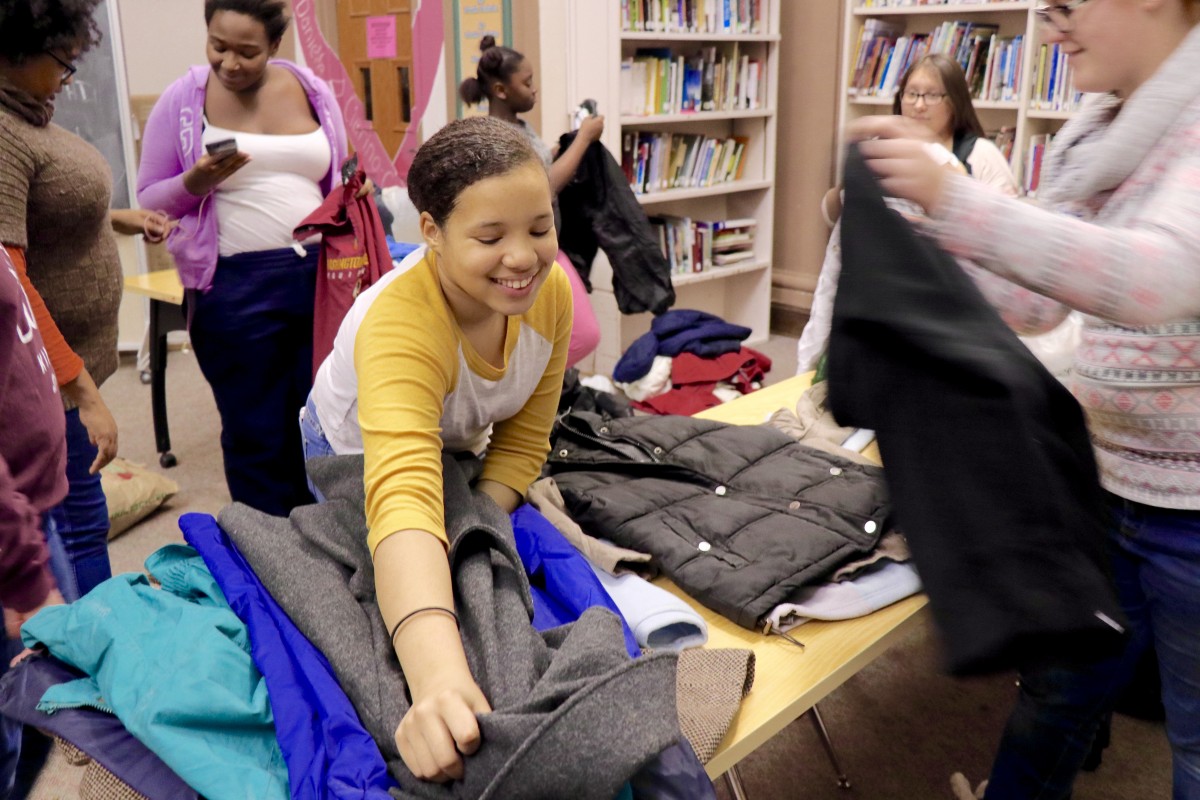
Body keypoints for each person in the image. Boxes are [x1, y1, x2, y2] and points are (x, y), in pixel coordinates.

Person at [850, 0, 1200, 797]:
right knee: (1056, 696)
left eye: (1069, 5)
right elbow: (1038, 302)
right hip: (1106, 485)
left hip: (1193, 518)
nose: (1051, 26)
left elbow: (1159, 278)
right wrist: (915, 237)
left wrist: (954, 199)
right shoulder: (1098, 129)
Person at [302, 116, 572, 782]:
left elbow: (524, 437)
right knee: (359, 577)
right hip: (356, 450)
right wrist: (439, 679)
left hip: (456, 439)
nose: (524, 258)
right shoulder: (398, 322)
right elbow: (401, 501)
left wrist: (477, 519)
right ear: (430, 232)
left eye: (540, 228)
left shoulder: (550, 292)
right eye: (490, 236)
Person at [137, 0, 350, 516]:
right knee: (257, 431)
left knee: (327, 420)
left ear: (275, 46)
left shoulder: (312, 91)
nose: (230, 63)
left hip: (319, 278)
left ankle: (330, 546)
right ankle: (267, 555)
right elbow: (150, 196)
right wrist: (197, 181)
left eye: (247, 52)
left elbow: (338, 179)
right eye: (218, 46)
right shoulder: (183, 99)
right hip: (233, 287)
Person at [0, 0, 166, 599]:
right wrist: (81, 391)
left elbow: (49, 209)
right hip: (46, 381)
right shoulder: (3, 134)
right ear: (14, 50)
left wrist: (118, 218)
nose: (69, 79)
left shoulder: (30, 113)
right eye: (62, 63)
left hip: (67, 370)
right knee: (77, 526)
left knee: (80, 516)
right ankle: (93, 661)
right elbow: (9, 279)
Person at [798, 54, 1018, 373]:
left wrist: (949, 182)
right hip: (884, 295)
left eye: (931, 95)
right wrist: (851, 185)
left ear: (954, 100)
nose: (918, 105)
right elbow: (834, 217)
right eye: (911, 94)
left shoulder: (981, 154)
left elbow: (1002, 231)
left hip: (950, 302)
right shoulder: (884, 148)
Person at [459, 35, 601, 368]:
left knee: (559, 333)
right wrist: (583, 139)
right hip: (525, 251)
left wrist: (557, 150)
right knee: (584, 334)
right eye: (527, 82)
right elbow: (543, 185)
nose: (534, 89)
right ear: (501, 91)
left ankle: (533, 390)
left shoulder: (519, 127)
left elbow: (535, 170)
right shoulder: (497, 136)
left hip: (543, 244)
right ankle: (527, 389)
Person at [0, 244, 70, 800]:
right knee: (26, 712)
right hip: (9, 539)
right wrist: (25, 578)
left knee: (42, 709)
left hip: (30, 513)